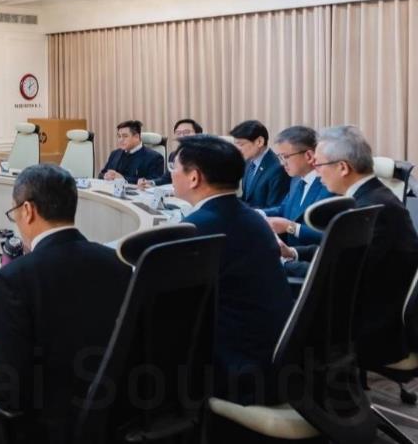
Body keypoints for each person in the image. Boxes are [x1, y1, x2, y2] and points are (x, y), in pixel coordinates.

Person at [0, 164, 131, 444]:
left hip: (42, 427)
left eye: (14, 213)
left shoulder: (15, 278)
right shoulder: (117, 264)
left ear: (28, 210)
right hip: (109, 419)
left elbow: (0, 385)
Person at [280, 126, 418, 368]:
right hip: (365, 306)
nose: (315, 171)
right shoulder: (369, 198)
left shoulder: (374, 209)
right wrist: (292, 253)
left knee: (273, 320)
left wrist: (283, 266)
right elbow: (336, 253)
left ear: (343, 167)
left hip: (375, 326)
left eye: (318, 164)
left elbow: (338, 274)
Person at [172, 135, 292, 404]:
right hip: (275, 356)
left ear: (194, 177)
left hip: (238, 367)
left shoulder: (197, 228)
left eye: (175, 168)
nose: (172, 174)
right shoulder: (252, 217)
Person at [258, 126, 333, 262]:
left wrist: (290, 227)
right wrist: (258, 214)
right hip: (288, 254)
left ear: (309, 156)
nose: (282, 163)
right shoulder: (296, 179)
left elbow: (329, 235)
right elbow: (283, 209)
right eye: (280, 157)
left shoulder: (329, 184)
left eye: (285, 157)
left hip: (312, 260)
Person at [230, 120, 290, 209]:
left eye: (241, 144)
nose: (237, 149)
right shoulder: (248, 161)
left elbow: (275, 208)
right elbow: (247, 199)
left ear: (259, 142)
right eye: (236, 144)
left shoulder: (277, 169)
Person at [139, 118, 201, 188]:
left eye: (186, 132)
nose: (182, 136)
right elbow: (167, 179)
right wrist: (151, 182)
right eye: (178, 133)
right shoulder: (174, 155)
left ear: (198, 135)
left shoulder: (206, 155)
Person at [98, 120, 164, 183]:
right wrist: (105, 176)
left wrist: (123, 179)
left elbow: (153, 181)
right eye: (119, 136)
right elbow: (101, 174)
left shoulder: (155, 157)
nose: (120, 140)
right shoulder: (115, 154)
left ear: (136, 137)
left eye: (125, 136)